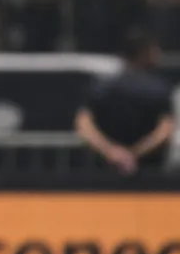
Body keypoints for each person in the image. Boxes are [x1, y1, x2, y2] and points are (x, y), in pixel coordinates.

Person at [74, 31, 176, 174]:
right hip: (150, 175)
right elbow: (165, 129)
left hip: (102, 173)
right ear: (145, 52)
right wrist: (133, 153)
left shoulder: (101, 86)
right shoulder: (159, 89)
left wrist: (111, 151)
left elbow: (83, 124)